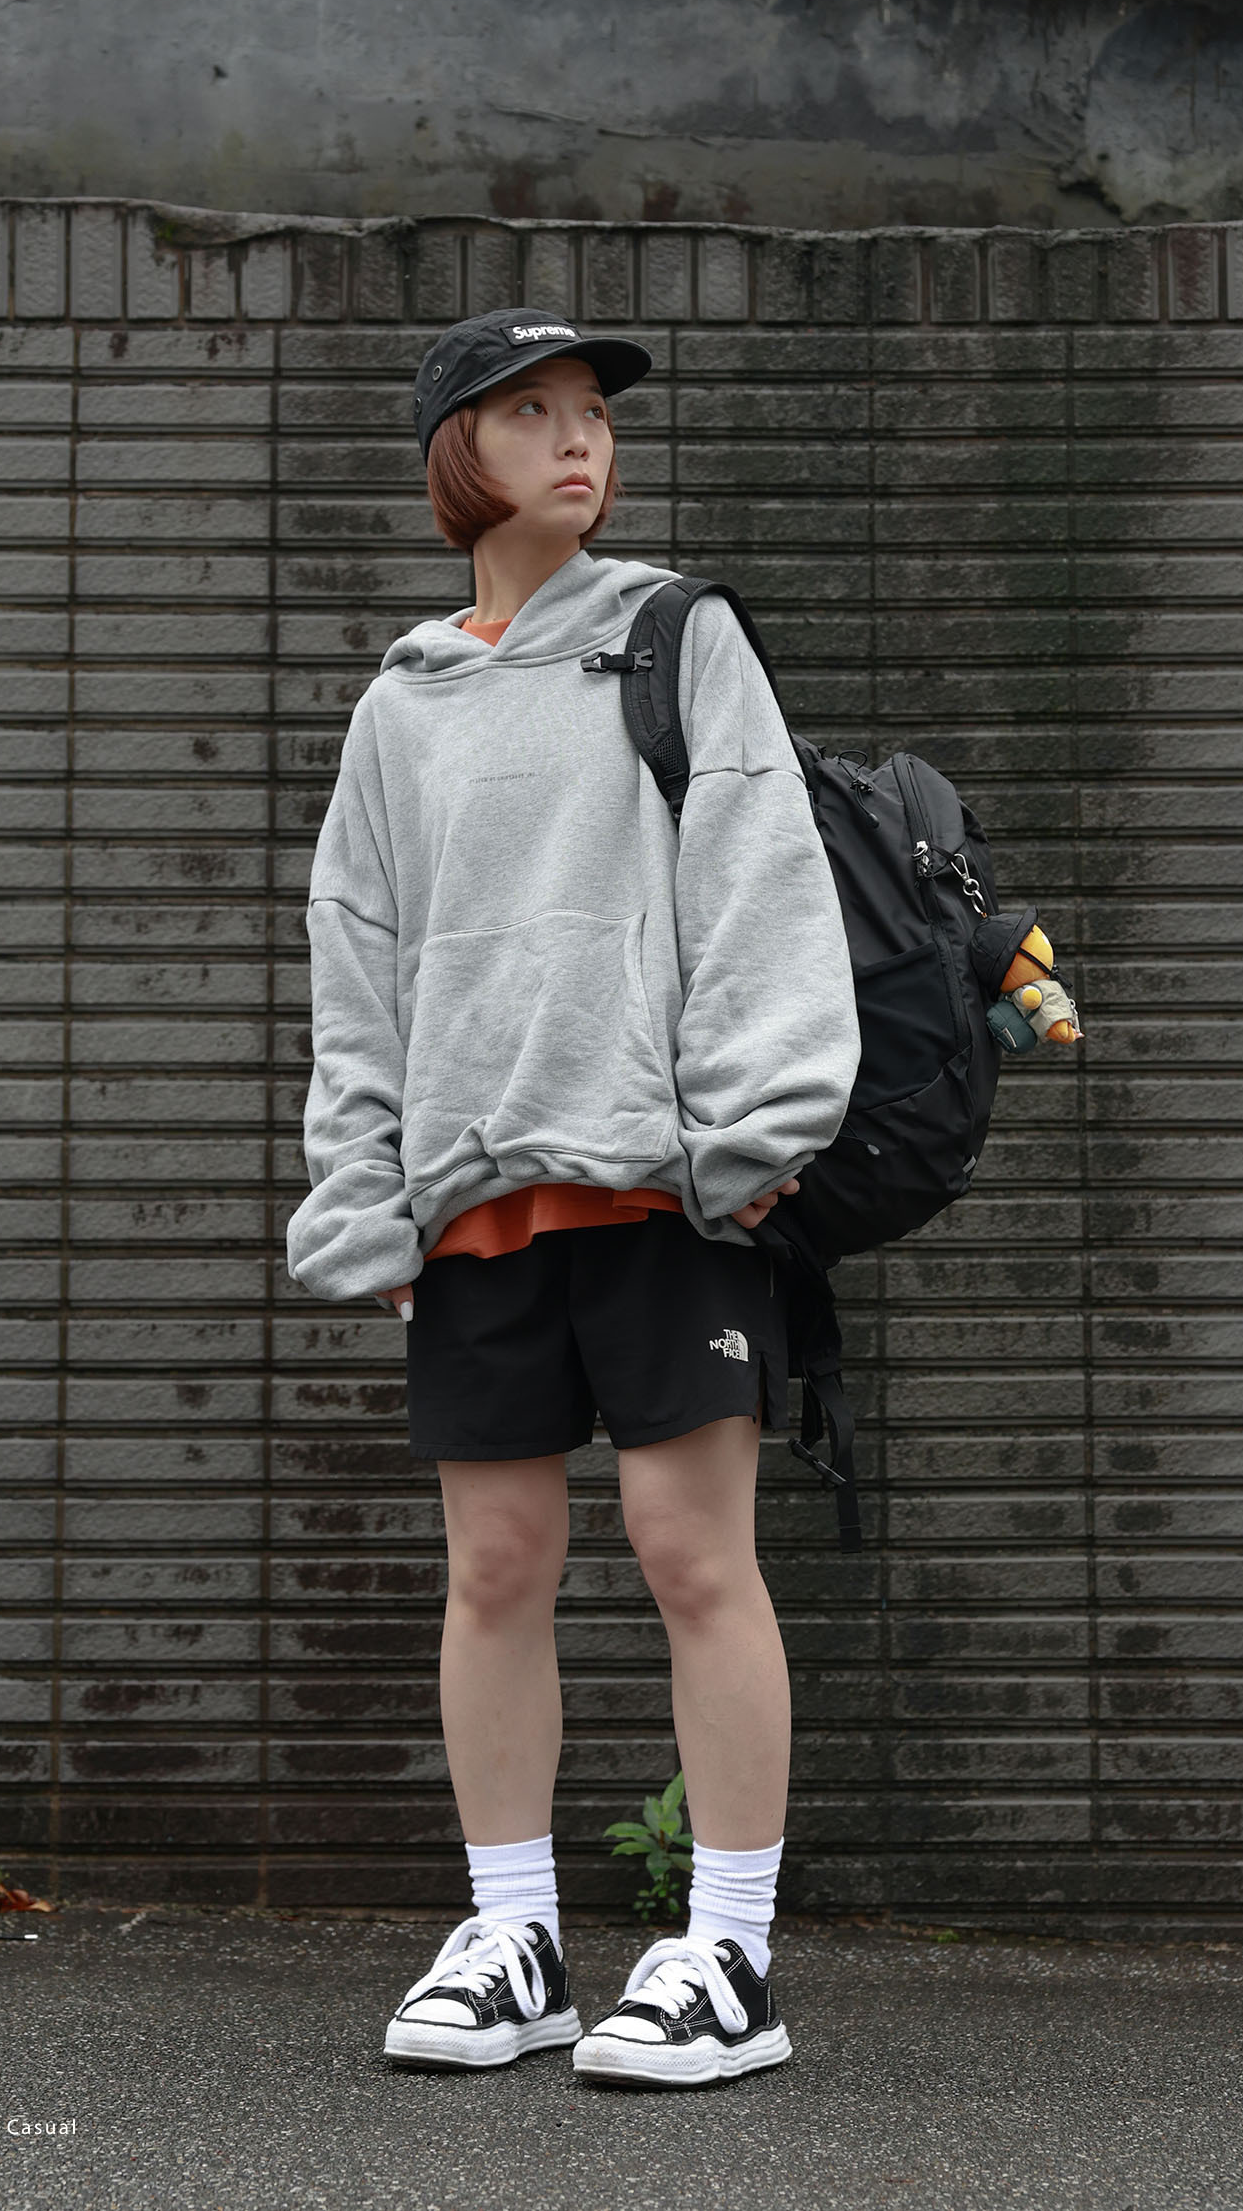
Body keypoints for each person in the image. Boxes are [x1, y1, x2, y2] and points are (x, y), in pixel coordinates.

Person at [285, 306, 860, 2090]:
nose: (578, 439)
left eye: (591, 410)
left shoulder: (676, 637)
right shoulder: (401, 705)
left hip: (665, 1188)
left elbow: (761, 874)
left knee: (694, 1556)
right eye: (530, 410)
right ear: (455, 452)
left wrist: (751, 1130)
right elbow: (358, 965)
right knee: (494, 1569)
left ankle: (731, 1954)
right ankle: (517, 1935)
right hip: (473, 1199)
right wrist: (366, 1197)